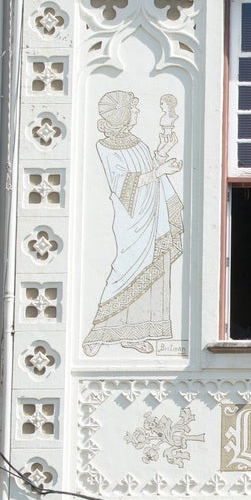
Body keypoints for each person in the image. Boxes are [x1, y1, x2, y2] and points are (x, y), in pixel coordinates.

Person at [83, 90, 184, 355]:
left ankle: (136, 332)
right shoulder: (105, 147)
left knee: (153, 272)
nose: (137, 113)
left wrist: (162, 154)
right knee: (125, 271)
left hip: (153, 216)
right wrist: (160, 171)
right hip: (133, 221)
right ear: (123, 115)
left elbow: (145, 167)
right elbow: (124, 183)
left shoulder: (136, 142)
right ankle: (99, 332)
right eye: (134, 109)